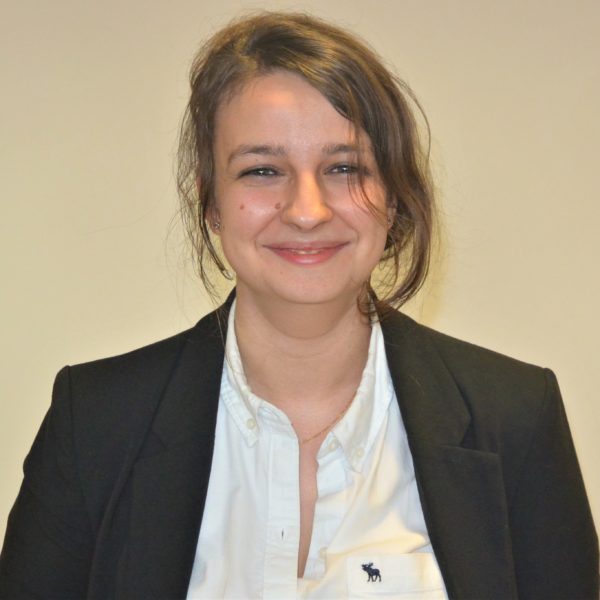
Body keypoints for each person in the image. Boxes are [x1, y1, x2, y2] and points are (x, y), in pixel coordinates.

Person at [0, 11, 597, 600]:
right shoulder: (95, 423)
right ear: (211, 203)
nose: (307, 211)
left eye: (344, 168)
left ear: (393, 197)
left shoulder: (515, 418)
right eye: (262, 170)